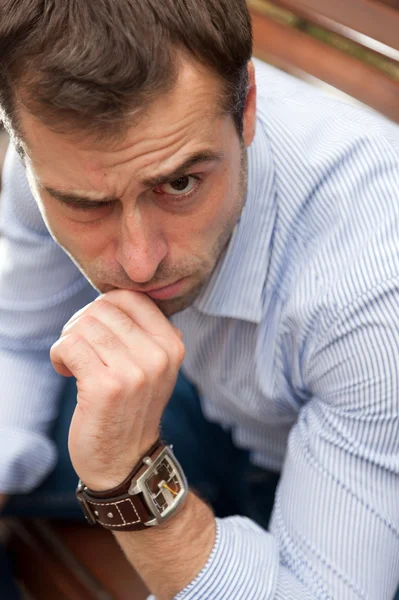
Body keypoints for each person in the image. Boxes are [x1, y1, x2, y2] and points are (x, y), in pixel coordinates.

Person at [0, 0, 398, 598]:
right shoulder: (63, 149)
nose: (138, 263)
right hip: (206, 410)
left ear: (247, 110)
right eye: (86, 206)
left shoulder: (374, 289)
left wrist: (130, 477)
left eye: (181, 184)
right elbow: (15, 337)